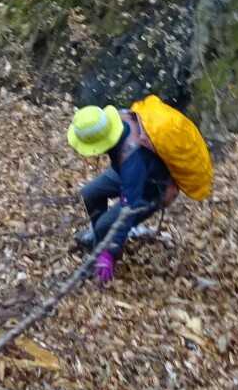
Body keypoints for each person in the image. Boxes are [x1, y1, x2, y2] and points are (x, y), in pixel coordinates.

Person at [67, 103, 178, 285]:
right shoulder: (115, 121)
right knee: (90, 194)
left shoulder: (132, 159)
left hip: (152, 189)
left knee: (105, 225)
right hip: (130, 174)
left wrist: (109, 252)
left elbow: (129, 208)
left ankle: (107, 250)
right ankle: (101, 239)